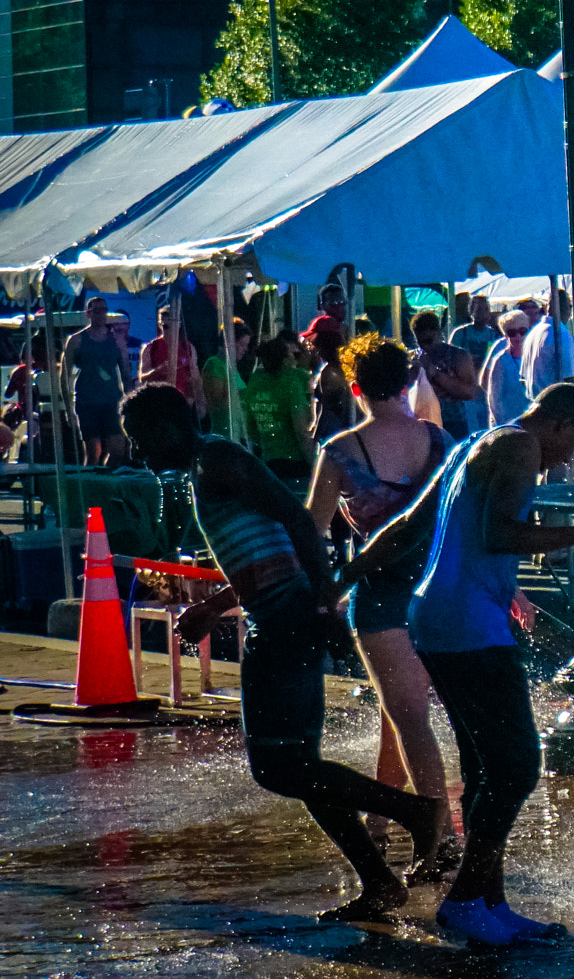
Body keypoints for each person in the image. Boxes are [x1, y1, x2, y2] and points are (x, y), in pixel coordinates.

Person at [121, 384, 450, 922]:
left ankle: (416, 812)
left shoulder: (218, 460)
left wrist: (323, 605)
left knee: (278, 768)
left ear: (168, 427)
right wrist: (215, 607)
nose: (140, 453)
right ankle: (380, 881)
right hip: (278, 618)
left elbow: (298, 522)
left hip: (286, 622)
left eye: (142, 440)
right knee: (298, 765)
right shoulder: (209, 467)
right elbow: (267, 549)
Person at [350, 383, 574, 946]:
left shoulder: (471, 443)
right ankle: (464, 900)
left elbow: (409, 524)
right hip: (468, 622)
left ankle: (491, 902)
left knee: (485, 768)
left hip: (434, 615)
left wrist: (344, 575)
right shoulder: (521, 447)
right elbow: (500, 533)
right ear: (562, 423)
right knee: (517, 765)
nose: (569, 458)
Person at [305, 337, 461, 880]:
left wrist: (317, 596)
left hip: (381, 597)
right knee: (399, 709)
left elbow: (313, 534)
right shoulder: (442, 441)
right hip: (441, 593)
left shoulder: (341, 451)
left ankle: (439, 836)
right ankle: (380, 820)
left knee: (410, 717)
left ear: (355, 387)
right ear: (406, 382)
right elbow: (465, 523)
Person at [60, 296, 131, 465]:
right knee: (93, 452)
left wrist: (129, 402)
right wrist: (68, 409)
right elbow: (64, 376)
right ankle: (89, 485)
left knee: (118, 450)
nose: (100, 315)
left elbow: (126, 374)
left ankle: (105, 481)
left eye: (103, 310)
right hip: (87, 401)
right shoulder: (76, 340)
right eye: (96, 311)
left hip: (112, 401)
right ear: (88, 314)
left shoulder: (116, 340)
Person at [242, 335, 316, 483]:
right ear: (285, 359)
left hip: (269, 462)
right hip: (296, 464)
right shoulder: (293, 382)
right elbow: (301, 430)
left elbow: (251, 428)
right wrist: (315, 463)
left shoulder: (254, 383)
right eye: (293, 355)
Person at [411, 311, 479, 439]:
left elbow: (469, 392)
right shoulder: (412, 359)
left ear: (438, 332)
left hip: (453, 423)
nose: (425, 346)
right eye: (421, 342)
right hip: (421, 423)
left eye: (429, 341)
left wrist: (435, 373)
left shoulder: (458, 356)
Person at [139, 302, 206, 422]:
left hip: (182, 404)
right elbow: (142, 379)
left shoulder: (188, 348)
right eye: (164, 326)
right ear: (160, 324)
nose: (167, 329)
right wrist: (158, 371)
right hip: (159, 404)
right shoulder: (151, 348)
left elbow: (196, 378)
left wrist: (200, 400)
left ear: (179, 324)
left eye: (170, 325)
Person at [447, 297, 499, 434]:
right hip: (466, 388)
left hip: (485, 388)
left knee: (486, 425)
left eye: (486, 309)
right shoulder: (460, 333)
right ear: (471, 312)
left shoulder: (492, 334)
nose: (483, 313)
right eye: (479, 309)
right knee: (471, 427)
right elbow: (449, 358)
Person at [201, 318, 252, 445]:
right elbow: (216, 404)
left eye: (246, 345)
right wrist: (243, 394)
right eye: (241, 344)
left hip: (239, 433)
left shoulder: (232, 368)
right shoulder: (215, 365)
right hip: (225, 435)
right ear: (229, 342)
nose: (245, 349)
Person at [479, 311, 531, 429]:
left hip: (532, 425)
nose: (518, 336)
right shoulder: (500, 361)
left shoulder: (535, 358)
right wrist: (505, 427)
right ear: (505, 335)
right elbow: (494, 401)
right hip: (508, 426)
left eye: (523, 331)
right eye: (512, 333)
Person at [520, 289, 574, 400]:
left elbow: (523, 379)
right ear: (566, 308)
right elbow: (570, 379)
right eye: (569, 306)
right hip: (555, 405)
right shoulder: (561, 334)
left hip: (535, 403)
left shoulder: (533, 332)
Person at [309, 328, 357, 445]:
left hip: (333, 425)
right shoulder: (348, 368)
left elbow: (327, 406)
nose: (317, 352)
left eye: (318, 348)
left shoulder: (330, 371)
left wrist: (316, 434)